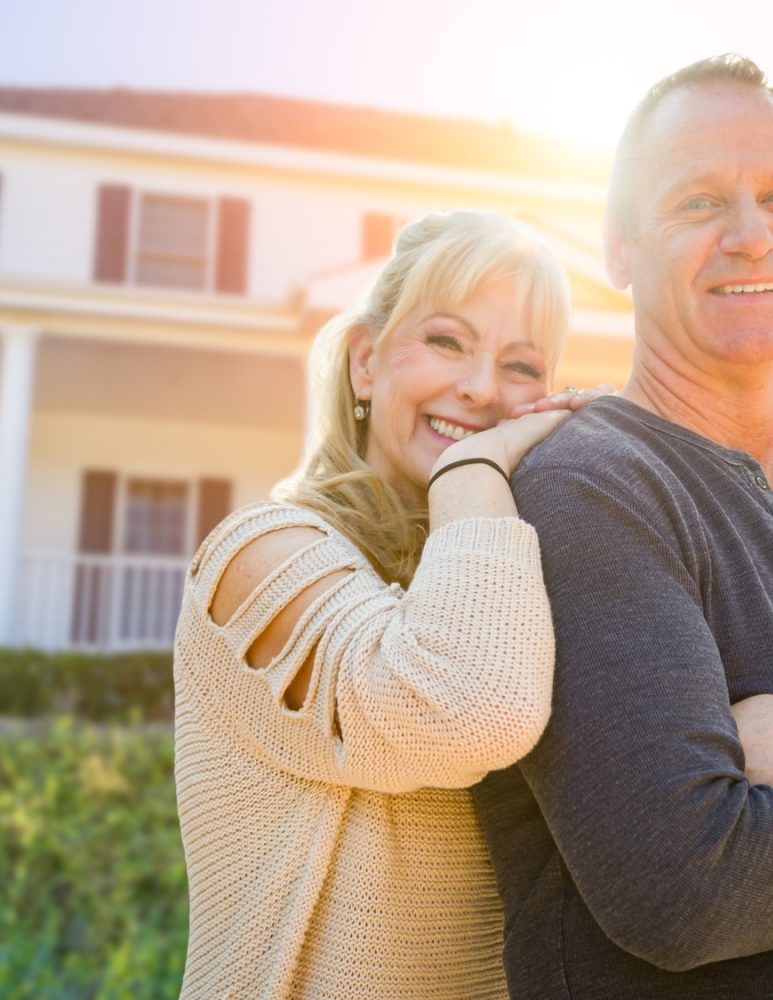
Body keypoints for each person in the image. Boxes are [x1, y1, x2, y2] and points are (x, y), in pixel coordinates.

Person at [173, 210, 608, 999]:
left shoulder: (517, 581)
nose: (480, 389)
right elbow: (467, 712)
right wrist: (478, 467)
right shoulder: (260, 556)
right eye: (446, 342)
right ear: (366, 363)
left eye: (521, 366)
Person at [474, 54, 773, 999]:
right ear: (619, 249)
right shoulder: (591, 489)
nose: (753, 237)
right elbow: (686, 886)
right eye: (698, 204)